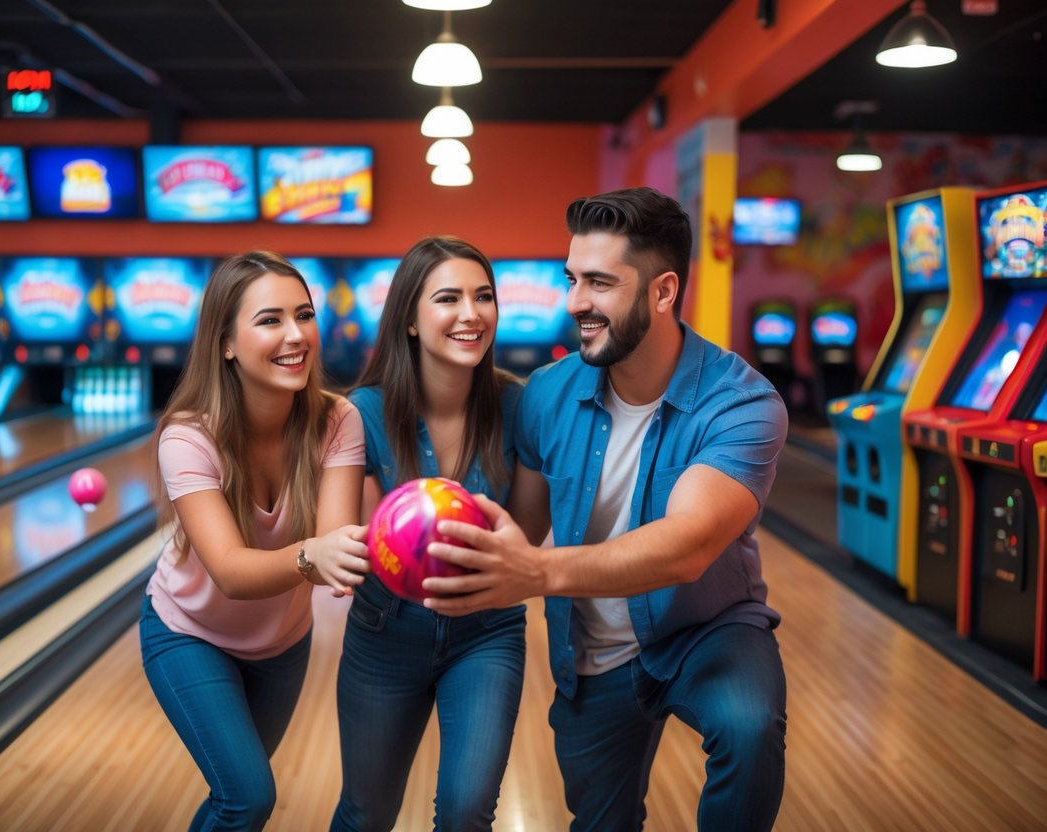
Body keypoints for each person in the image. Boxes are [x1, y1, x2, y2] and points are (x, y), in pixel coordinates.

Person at [422, 188, 789, 831]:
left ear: (663, 292)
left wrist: (536, 573)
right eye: (571, 279)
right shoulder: (547, 394)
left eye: (598, 283)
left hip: (707, 626)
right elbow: (526, 527)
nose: (575, 303)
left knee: (749, 727)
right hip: (589, 649)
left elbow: (688, 545)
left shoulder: (742, 404)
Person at [141, 251, 370, 832]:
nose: (296, 335)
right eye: (270, 320)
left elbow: (333, 546)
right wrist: (313, 557)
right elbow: (231, 572)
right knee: (248, 796)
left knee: (234, 800)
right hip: (187, 632)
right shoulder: (188, 436)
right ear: (226, 343)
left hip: (282, 643)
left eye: (305, 315)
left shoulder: (338, 420)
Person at [329, 236, 527, 832]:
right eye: (448, 298)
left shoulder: (519, 406)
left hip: (487, 634)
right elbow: (342, 537)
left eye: (483, 296)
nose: (471, 313)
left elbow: (529, 537)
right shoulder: (360, 412)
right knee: (367, 814)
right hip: (384, 634)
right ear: (410, 320)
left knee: (467, 813)